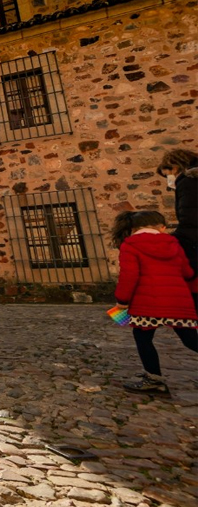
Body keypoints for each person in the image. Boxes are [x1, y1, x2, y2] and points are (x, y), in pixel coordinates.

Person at [110, 211, 197, 395]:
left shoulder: (130, 245)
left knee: (143, 339)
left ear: (132, 228)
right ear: (162, 227)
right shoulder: (174, 244)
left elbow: (129, 276)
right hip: (178, 302)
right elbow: (187, 272)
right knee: (190, 339)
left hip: (146, 304)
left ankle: (154, 379)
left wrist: (122, 301)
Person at [156, 148, 198, 309]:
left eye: (167, 174)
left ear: (174, 167)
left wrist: (172, 239)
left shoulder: (188, 182)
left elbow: (190, 217)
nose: (169, 180)